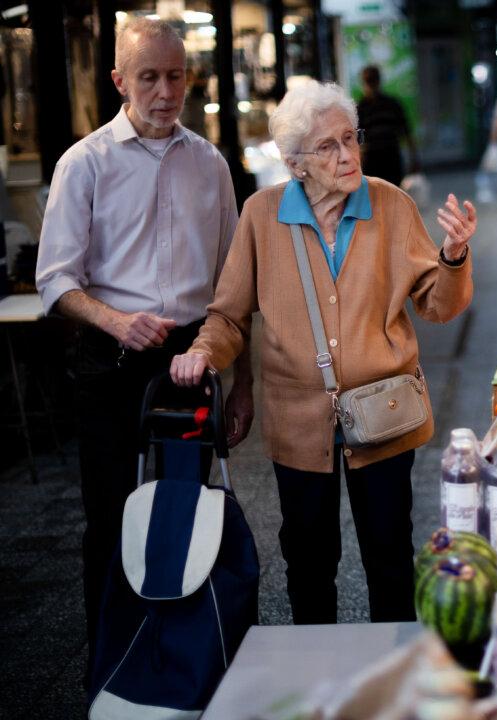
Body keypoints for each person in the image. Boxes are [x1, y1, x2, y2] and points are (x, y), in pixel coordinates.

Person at [170, 81, 477, 624]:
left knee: (389, 557)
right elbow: (228, 314)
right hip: (298, 419)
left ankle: (393, 677)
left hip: (385, 411)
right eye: (329, 147)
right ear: (295, 164)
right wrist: (203, 353)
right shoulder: (262, 216)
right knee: (309, 561)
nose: (348, 155)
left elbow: (438, 305)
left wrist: (453, 256)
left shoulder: (391, 204)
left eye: (350, 139)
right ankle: (314, 684)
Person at [34, 17, 254, 684]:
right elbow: (55, 282)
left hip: (191, 359)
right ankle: (113, 668)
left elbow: (231, 286)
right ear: (119, 81)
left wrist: (241, 386)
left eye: (176, 76)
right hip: (112, 360)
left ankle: (191, 658)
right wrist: (115, 321)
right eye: (150, 77)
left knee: (190, 513)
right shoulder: (86, 162)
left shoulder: (210, 163)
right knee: (111, 523)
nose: (165, 91)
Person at [356, 65, 417, 187]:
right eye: (368, 81)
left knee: (391, 195)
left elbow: (406, 132)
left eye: (372, 80)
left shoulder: (392, 105)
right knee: (376, 196)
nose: (370, 85)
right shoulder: (360, 108)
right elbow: (357, 139)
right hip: (372, 161)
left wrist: (414, 158)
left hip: (390, 158)